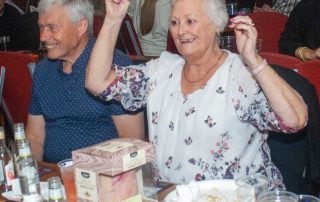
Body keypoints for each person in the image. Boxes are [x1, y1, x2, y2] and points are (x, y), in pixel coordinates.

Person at [86, 0, 308, 190]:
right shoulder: (162, 70)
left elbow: (296, 120)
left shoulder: (239, 75)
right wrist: (113, 19)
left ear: (217, 26)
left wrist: (254, 60)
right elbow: (97, 82)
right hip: (172, 195)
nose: (181, 31)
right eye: (175, 22)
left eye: (190, 21)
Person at [26, 0, 145, 163]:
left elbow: (132, 141)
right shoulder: (43, 70)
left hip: (104, 176)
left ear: (81, 26)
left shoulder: (115, 67)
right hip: (54, 177)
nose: (43, 37)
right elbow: (35, 137)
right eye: (41, 27)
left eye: (52, 28)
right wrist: (31, 173)